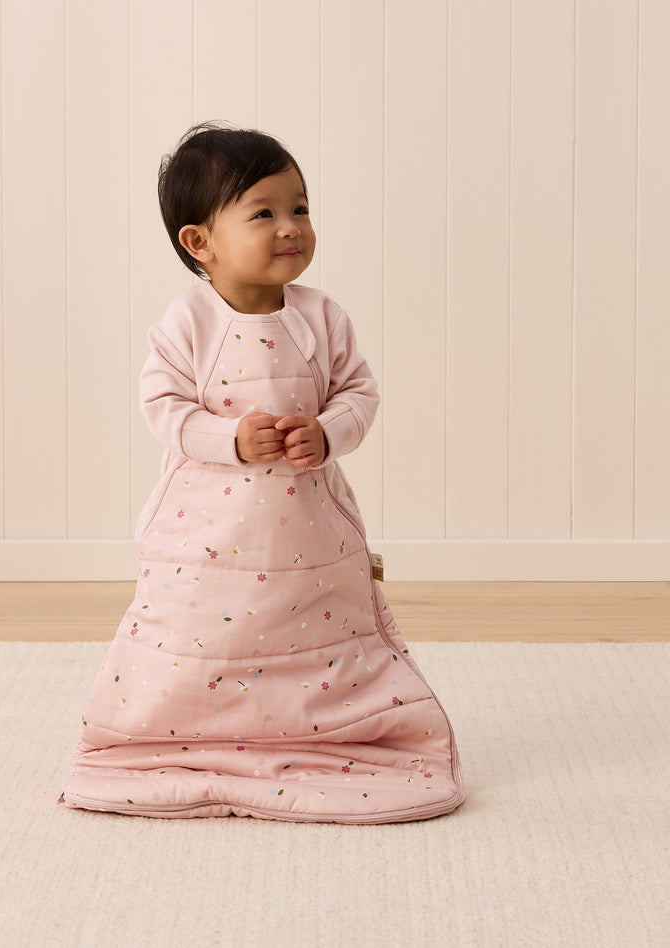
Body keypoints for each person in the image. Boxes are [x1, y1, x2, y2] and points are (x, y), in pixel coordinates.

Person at [60, 123, 464, 823]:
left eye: (300, 208)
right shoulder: (187, 322)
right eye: (265, 212)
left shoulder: (319, 317)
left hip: (307, 534)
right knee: (196, 635)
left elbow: (358, 395)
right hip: (205, 538)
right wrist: (230, 438)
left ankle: (330, 724)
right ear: (200, 242)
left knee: (313, 630)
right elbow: (163, 407)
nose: (291, 228)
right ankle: (178, 728)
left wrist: (328, 432)